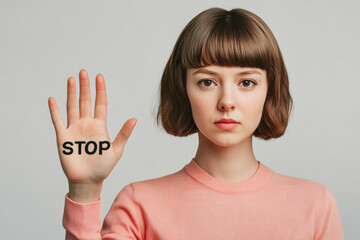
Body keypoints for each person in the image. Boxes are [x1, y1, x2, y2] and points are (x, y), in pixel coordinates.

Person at [48, 7, 344, 240]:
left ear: (270, 90)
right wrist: (84, 190)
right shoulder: (140, 205)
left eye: (247, 82)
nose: (227, 100)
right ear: (182, 89)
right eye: (207, 81)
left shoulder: (315, 206)